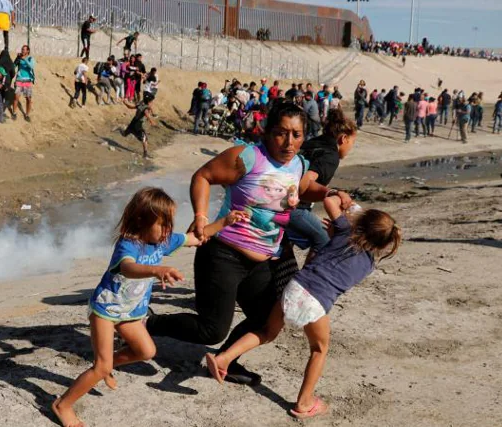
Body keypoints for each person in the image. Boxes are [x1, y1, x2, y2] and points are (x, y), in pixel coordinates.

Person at [146, 103, 353, 386]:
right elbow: (203, 176)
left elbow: (303, 189)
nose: (289, 142)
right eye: (281, 133)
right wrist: (201, 216)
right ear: (268, 132)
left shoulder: (298, 164)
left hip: (263, 258)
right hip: (222, 253)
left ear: (304, 136)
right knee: (211, 329)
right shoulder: (248, 157)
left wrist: (330, 191)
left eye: (296, 134)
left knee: (266, 319)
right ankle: (148, 324)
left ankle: (226, 361)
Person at [51, 187, 250, 427]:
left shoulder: (163, 242)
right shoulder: (129, 245)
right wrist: (157, 270)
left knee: (146, 352)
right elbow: (127, 268)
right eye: (162, 224)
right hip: (106, 310)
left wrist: (225, 222)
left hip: (131, 312)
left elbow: (197, 238)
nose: (168, 231)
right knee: (101, 366)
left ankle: (106, 366)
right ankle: (63, 404)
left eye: (170, 224)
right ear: (140, 221)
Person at [206, 200, 400, 419]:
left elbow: (330, 201)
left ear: (360, 222)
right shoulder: (368, 264)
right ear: (384, 244)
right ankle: (304, 402)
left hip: (295, 286)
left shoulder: (343, 230)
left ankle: (224, 358)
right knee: (319, 350)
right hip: (316, 302)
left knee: (267, 332)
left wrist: (347, 205)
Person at [286, 109, 357, 256]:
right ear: (343, 138)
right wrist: (332, 193)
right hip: (293, 207)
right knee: (324, 239)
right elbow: (305, 181)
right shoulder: (331, 156)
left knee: (286, 246)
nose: (351, 148)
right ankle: (308, 278)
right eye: (352, 143)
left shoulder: (312, 143)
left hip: (276, 198)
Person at [120, 94, 156, 158]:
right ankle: (145, 154)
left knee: (124, 134)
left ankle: (120, 129)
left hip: (133, 122)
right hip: (137, 126)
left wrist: (125, 103)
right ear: (149, 102)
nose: (152, 103)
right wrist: (151, 121)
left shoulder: (140, 104)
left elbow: (130, 107)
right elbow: (147, 114)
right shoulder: (146, 108)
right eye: (152, 101)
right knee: (145, 139)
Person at [13, 45, 35, 122]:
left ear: (28, 51)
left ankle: (27, 115)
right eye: (22, 49)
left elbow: (31, 66)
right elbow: (13, 66)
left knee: (28, 99)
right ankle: (14, 113)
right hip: (19, 80)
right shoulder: (19, 58)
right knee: (16, 98)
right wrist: (17, 59)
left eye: (24, 50)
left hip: (28, 81)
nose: (22, 51)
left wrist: (24, 59)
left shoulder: (30, 58)